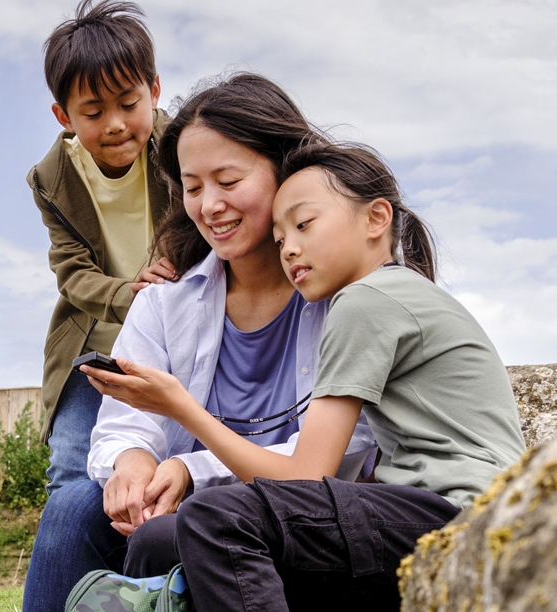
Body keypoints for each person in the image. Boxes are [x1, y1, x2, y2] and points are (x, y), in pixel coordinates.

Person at [85, 142, 527, 610]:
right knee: (176, 536)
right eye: (279, 239)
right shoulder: (390, 295)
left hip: (461, 514)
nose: (290, 248)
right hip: (453, 512)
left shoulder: (366, 302)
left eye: (304, 225)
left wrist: (181, 409)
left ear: (377, 219)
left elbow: (303, 479)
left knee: (217, 518)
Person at [23, 73, 377, 612]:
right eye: (192, 187)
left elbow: (347, 451)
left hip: (305, 520)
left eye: (228, 181)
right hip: (183, 520)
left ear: (285, 173)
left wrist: (192, 471)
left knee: (173, 533)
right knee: (76, 506)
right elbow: (124, 422)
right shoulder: (165, 303)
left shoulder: (346, 297)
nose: (209, 205)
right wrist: (133, 466)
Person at [30, 0, 178, 496]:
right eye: (93, 112)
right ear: (64, 116)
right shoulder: (52, 179)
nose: (114, 123)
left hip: (176, 337)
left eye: (128, 104)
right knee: (72, 473)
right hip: (94, 346)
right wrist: (129, 293)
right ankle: (79, 573)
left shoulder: (185, 147)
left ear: (154, 91)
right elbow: (72, 274)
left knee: (174, 461)